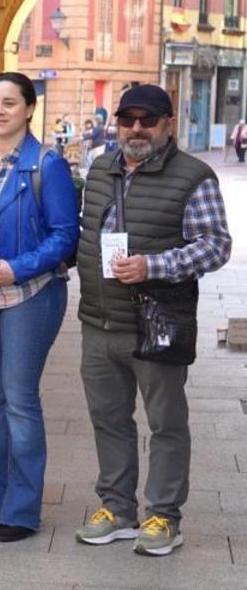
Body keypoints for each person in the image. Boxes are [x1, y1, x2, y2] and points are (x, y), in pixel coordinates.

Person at [74, 84, 231, 556]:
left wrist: (152, 266)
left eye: (148, 119)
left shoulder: (193, 176)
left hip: (156, 323)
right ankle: (118, 509)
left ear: (167, 125)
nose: (136, 128)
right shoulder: (102, 168)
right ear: (117, 124)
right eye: (128, 119)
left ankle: (163, 515)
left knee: (166, 423)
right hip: (98, 320)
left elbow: (215, 245)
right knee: (109, 420)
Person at [0, 72, 79, 543]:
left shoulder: (45, 164)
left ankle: (22, 510)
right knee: (4, 400)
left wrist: (17, 267)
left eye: (10, 102)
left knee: (21, 399)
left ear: (29, 109)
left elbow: (65, 236)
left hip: (31, 294)